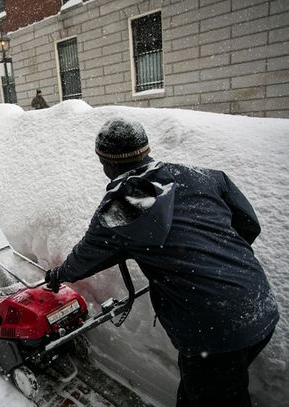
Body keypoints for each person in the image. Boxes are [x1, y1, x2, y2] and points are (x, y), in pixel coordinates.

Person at [45, 118, 279, 407]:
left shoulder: (120, 208)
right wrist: (219, 261)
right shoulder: (203, 176)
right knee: (219, 391)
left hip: (212, 330)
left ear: (104, 163)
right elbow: (248, 225)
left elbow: (84, 260)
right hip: (259, 301)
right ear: (146, 150)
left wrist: (57, 275)